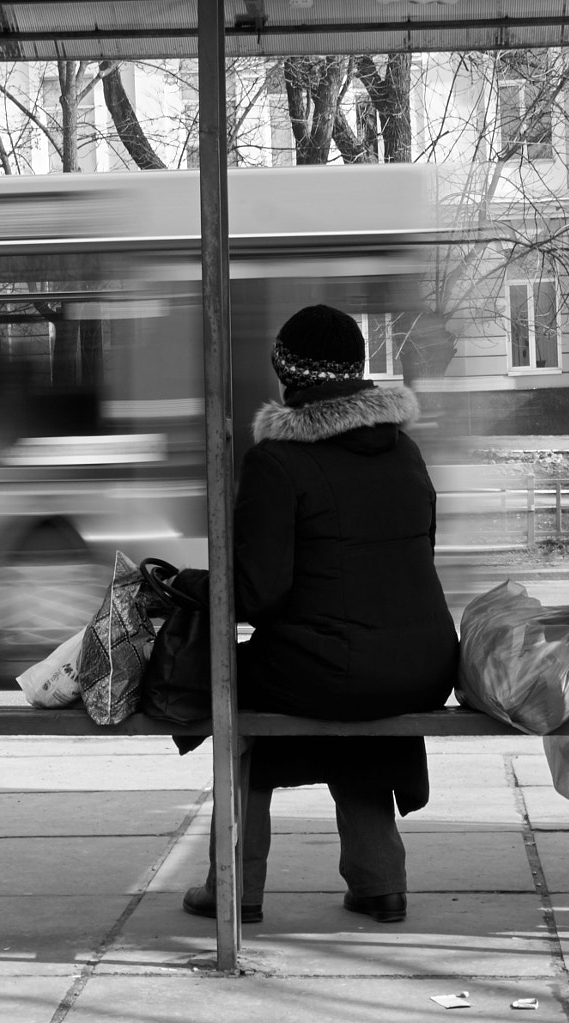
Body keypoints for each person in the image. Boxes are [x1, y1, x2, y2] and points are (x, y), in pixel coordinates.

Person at [180, 305, 459, 926]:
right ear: (356, 372)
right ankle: (379, 881)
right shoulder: (404, 450)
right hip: (426, 662)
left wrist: (190, 585)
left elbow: (256, 593)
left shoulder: (277, 461)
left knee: (238, 699)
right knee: (350, 688)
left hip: (338, 668)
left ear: (288, 373)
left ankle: (236, 887)